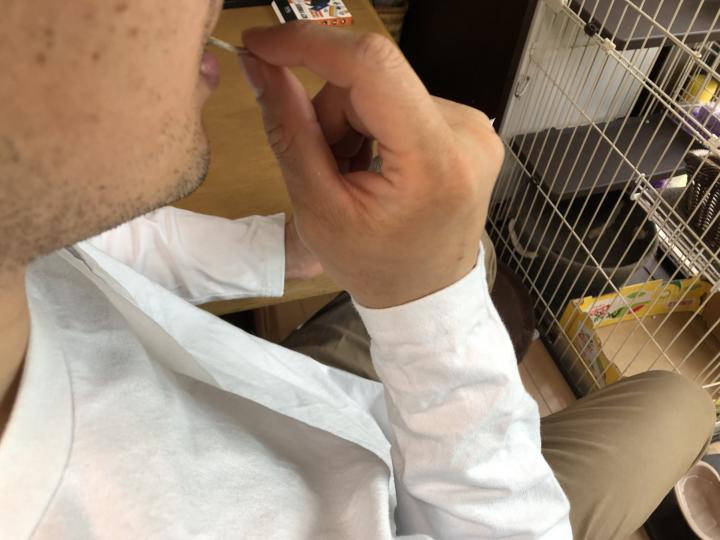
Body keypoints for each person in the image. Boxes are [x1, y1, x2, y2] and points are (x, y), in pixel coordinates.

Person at [0, 2, 713, 539]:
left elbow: (85, 242)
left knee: (483, 256)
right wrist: (429, 305)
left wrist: (293, 249)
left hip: (293, 399)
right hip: (403, 509)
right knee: (679, 404)